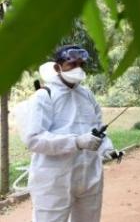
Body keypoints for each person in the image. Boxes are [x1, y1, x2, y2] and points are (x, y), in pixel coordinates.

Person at [24, 45, 119, 222]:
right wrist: (76, 142)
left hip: (89, 175)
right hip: (54, 179)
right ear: (57, 67)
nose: (78, 69)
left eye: (81, 65)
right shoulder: (44, 96)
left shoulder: (87, 95)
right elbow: (33, 139)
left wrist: (108, 149)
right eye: (72, 64)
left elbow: (98, 128)